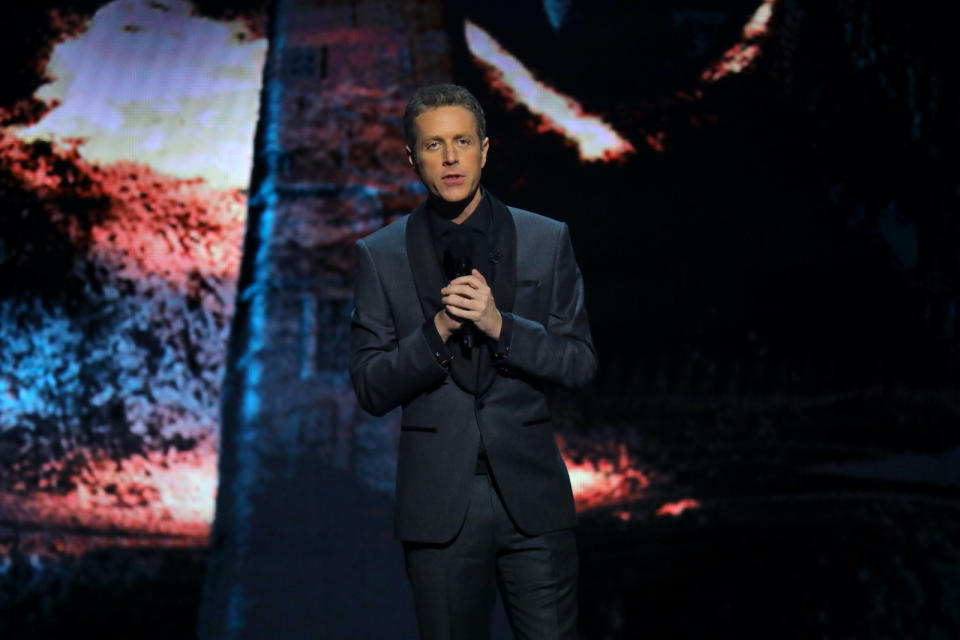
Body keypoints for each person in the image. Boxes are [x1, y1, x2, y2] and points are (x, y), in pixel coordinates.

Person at [349, 83, 597, 640]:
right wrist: (436, 331)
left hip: (532, 502)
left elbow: (579, 363)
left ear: (486, 149)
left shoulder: (545, 240)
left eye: (463, 141)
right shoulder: (380, 255)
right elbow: (370, 385)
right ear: (413, 158)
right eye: (435, 145)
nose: (452, 157)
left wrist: (500, 327)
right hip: (438, 509)